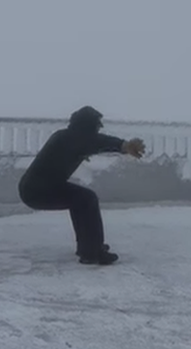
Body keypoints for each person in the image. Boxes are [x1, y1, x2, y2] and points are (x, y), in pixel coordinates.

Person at [17, 106, 146, 265]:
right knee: (87, 199)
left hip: (35, 188)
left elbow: (89, 144)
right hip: (38, 191)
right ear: (88, 125)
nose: (100, 127)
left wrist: (81, 153)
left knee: (80, 200)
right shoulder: (76, 138)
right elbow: (99, 142)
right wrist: (124, 145)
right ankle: (92, 252)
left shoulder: (65, 136)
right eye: (98, 124)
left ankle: (87, 248)